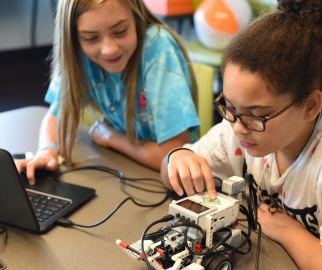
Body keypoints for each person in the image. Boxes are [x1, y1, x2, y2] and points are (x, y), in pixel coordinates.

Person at [161, 0, 322, 269]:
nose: (237, 126)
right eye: (228, 107)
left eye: (257, 114)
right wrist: (178, 158)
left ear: (310, 106)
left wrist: (285, 229)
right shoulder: (241, 127)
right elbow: (170, 170)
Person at [16, 0, 200, 184]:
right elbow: (56, 116)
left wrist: (111, 137)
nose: (109, 49)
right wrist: (46, 151)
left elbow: (174, 154)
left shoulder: (157, 47)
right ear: (74, 39)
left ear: (135, 18)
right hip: (127, 170)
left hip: (175, 179)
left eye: (120, 31)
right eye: (90, 38)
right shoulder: (79, 56)